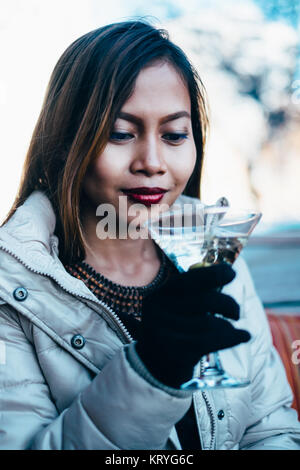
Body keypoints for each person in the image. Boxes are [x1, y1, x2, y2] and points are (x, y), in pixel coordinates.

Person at [0, 19, 299, 451]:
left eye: (175, 134)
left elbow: (272, 429)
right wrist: (150, 372)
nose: (153, 162)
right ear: (67, 142)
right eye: (121, 133)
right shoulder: (10, 288)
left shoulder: (212, 253)